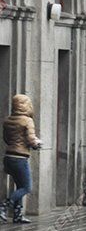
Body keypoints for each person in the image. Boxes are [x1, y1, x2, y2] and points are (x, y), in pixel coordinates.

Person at [3, 94, 42, 223]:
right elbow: (31, 139)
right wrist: (37, 144)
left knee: (19, 186)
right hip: (20, 158)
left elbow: (6, 139)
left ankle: (17, 215)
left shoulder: (8, 120)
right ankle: (3, 206)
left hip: (9, 157)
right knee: (26, 187)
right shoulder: (27, 120)